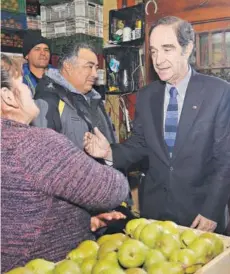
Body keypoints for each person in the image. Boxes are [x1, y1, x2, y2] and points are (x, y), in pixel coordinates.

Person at [84, 16, 230, 234]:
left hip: (200, 214)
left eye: (167, 49)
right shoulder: (147, 96)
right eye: (153, 51)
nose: (158, 59)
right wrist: (109, 152)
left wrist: (211, 210)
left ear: (187, 49)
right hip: (155, 215)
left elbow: (225, 160)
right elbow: (141, 145)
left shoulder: (219, 92)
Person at [1, 65, 129, 272]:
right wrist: (107, 156)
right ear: (7, 96)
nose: (29, 90)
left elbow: (18, 213)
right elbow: (112, 190)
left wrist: (80, 220)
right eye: (22, 84)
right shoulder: (36, 144)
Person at [32, 42, 133, 233]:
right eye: (89, 66)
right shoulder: (47, 101)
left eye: (96, 67)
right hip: (79, 219)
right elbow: (46, 170)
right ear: (68, 66)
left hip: (108, 209)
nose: (95, 73)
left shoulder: (94, 100)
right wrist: (82, 216)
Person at [22, 30, 52, 96]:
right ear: (27, 55)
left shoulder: (59, 76)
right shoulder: (19, 79)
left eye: (46, 49)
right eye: (37, 49)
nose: (43, 53)